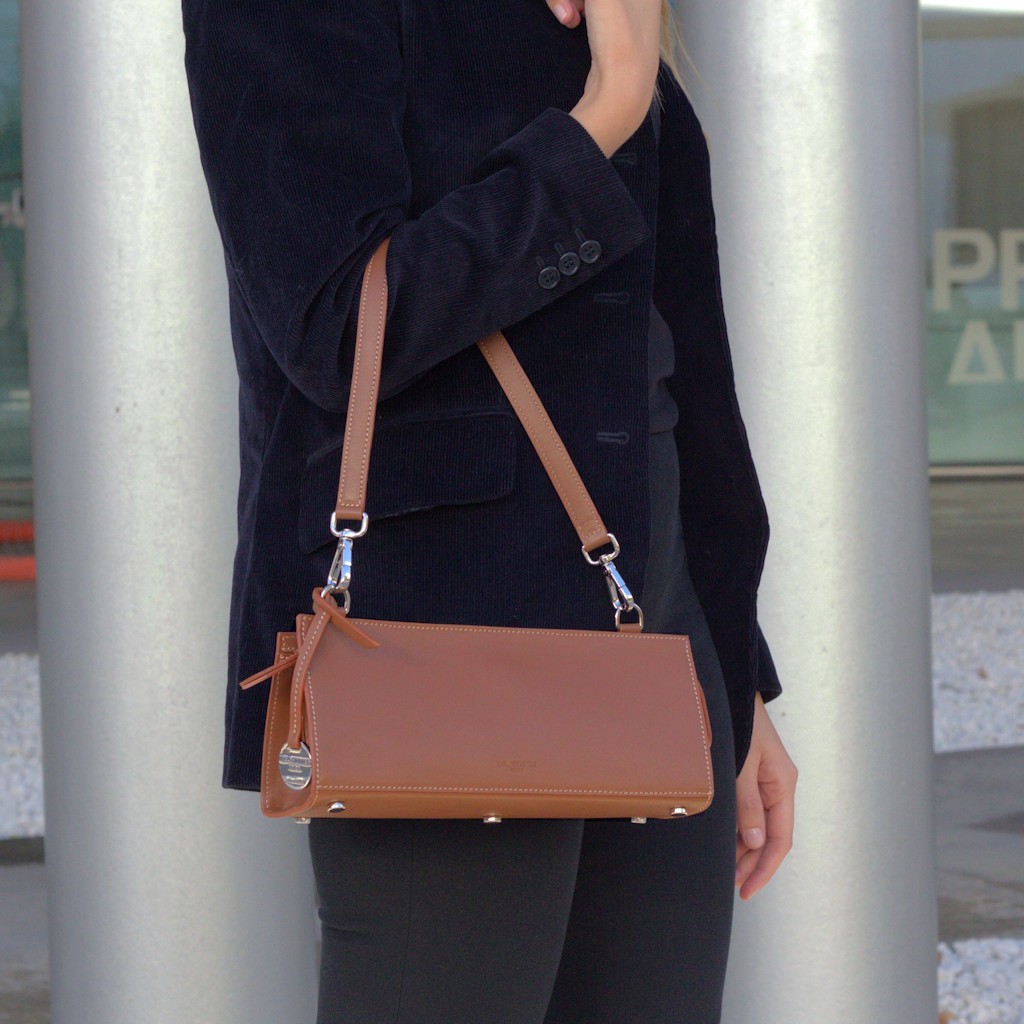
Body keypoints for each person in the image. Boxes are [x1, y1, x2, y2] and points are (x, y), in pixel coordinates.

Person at [182, 1, 798, 1020]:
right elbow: (339, 326)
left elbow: (643, 356)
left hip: (657, 637)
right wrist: (604, 113)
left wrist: (739, 677)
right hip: (442, 636)